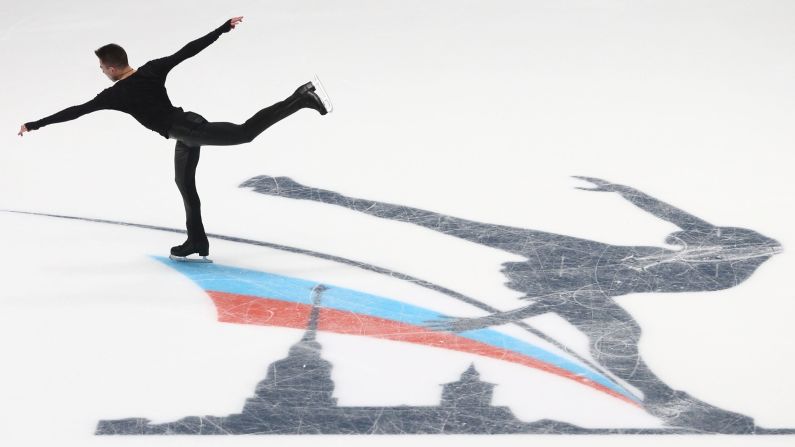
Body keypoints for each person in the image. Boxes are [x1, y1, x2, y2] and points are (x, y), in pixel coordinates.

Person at [239, 174, 782, 433]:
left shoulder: (554, 260)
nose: (513, 276)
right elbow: (673, 227)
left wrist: (319, 193)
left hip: (677, 263)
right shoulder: (570, 271)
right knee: (616, 336)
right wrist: (624, 193)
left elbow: (433, 220)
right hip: (678, 266)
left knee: (614, 332)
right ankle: (667, 400)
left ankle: (665, 399)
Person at [18, 16, 332, 260]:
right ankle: (196, 240)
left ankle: (301, 98)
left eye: (102, 67)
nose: (102, 71)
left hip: (186, 130)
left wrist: (35, 124)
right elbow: (187, 51)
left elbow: (76, 110)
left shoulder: (116, 94)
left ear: (112, 67)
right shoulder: (152, 70)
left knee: (245, 133)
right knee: (185, 184)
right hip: (184, 129)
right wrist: (221, 29)